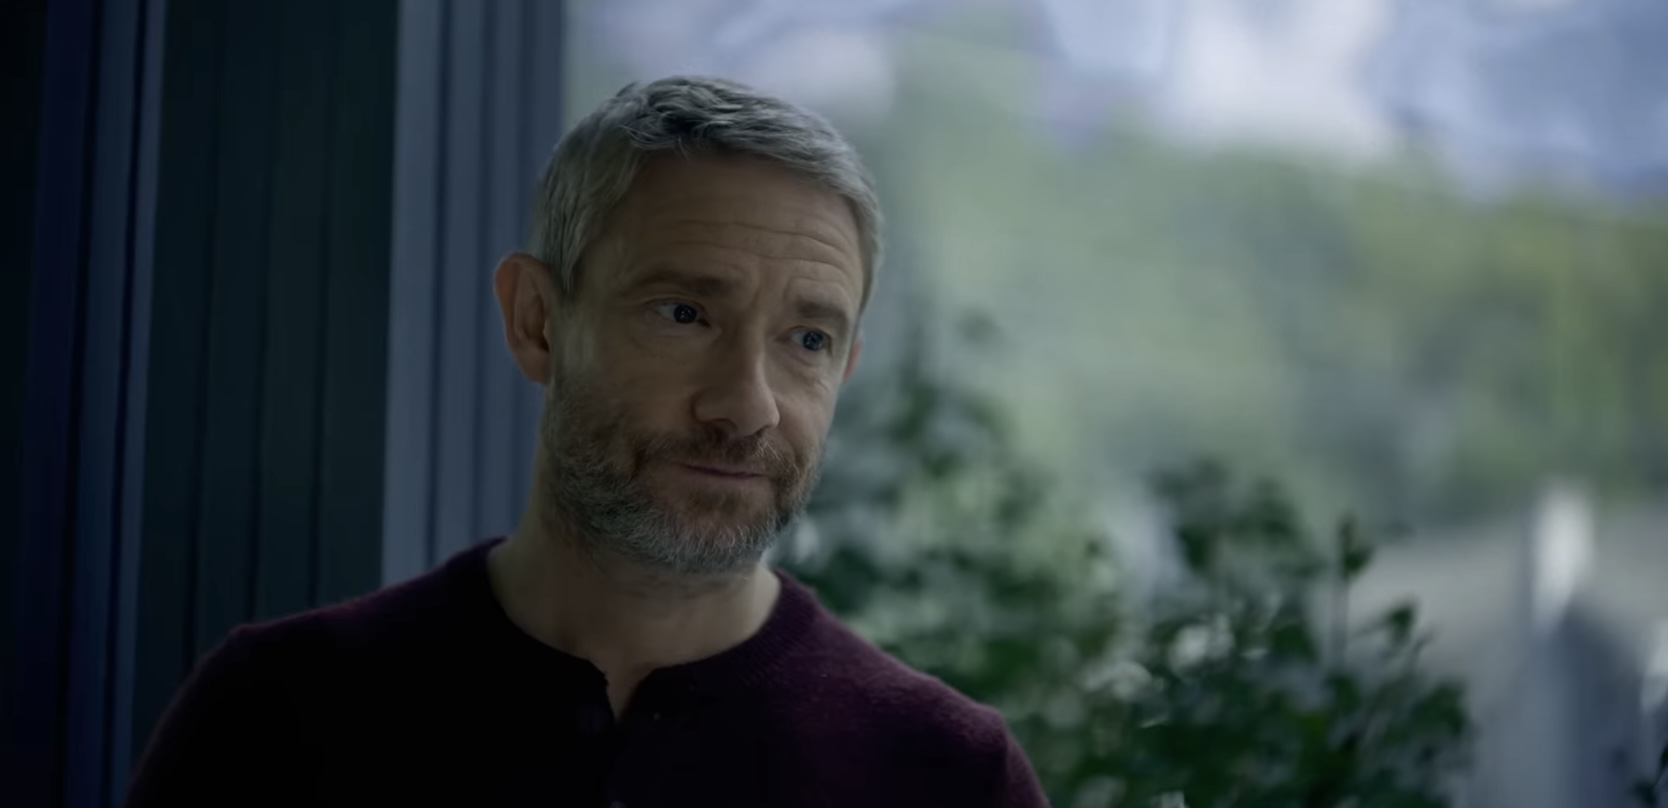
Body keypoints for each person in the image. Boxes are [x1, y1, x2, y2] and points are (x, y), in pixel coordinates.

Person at [124, 75, 1049, 808]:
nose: (747, 407)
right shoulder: (277, 714)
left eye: (808, 339)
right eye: (684, 313)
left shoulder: (948, 775)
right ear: (537, 321)